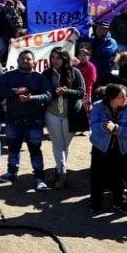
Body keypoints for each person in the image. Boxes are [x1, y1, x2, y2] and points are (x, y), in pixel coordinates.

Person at [0, 50, 52, 191]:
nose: (25, 61)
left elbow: (47, 95)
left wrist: (31, 98)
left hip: (34, 121)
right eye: (23, 58)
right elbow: (0, 90)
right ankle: (12, 173)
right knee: (13, 148)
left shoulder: (39, 78)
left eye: (28, 59)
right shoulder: (8, 76)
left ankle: (39, 178)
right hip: (13, 120)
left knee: (35, 150)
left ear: (34, 62)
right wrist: (15, 91)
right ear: (18, 61)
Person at [41, 47, 86, 189]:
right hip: (52, 113)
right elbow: (44, 93)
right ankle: (62, 175)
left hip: (72, 114)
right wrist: (55, 93)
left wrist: (67, 92)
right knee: (57, 145)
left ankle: (58, 169)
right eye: (53, 57)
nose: (55, 60)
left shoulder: (75, 72)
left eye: (58, 57)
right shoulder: (46, 74)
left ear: (65, 59)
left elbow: (81, 92)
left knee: (64, 146)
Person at [89, 84, 127, 214]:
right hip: (100, 147)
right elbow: (93, 124)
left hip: (122, 148)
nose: (126, 99)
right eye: (122, 97)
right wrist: (103, 126)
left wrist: (117, 129)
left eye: (126, 96)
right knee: (97, 175)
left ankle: (119, 202)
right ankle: (95, 203)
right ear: (111, 98)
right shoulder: (98, 106)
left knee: (119, 177)